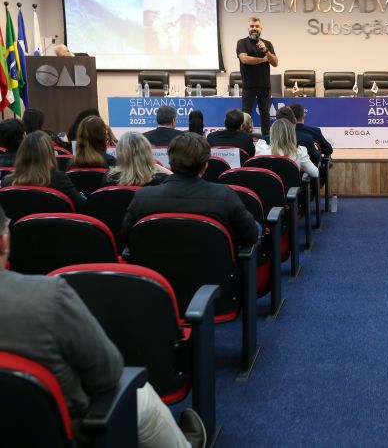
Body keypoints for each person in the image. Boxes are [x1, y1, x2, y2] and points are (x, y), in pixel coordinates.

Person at [0, 204, 207, 448]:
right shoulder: (48, 297)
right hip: (63, 433)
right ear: (4, 242)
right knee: (141, 394)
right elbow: (108, 373)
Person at [121, 133, 259, 248]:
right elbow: (250, 236)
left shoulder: (142, 198)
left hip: (154, 271)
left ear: (170, 162)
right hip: (212, 270)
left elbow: (126, 239)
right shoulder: (225, 196)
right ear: (205, 165)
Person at [2, 131, 86, 210]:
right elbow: (83, 206)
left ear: (21, 153)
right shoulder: (59, 179)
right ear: (50, 154)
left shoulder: (7, 181)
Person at [237, 16, 278, 137]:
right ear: (248, 28)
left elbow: (275, 62)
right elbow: (244, 59)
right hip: (248, 85)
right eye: (252, 26)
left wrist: (266, 50)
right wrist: (263, 60)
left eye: (257, 26)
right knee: (245, 115)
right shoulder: (242, 42)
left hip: (264, 86)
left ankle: (266, 139)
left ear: (261, 29)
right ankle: (244, 138)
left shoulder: (267, 44)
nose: (254, 28)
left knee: (265, 115)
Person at [101, 131, 171, 188]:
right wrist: (157, 167)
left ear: (120, 154)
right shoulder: (162, 181)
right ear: (148, 152)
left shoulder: (109, 178)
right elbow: (176, 184)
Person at [256, 107, 321, 165]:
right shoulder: (306, 140)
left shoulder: (265, 140)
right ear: (294, 120)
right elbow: (316, 158)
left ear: (277, 121)